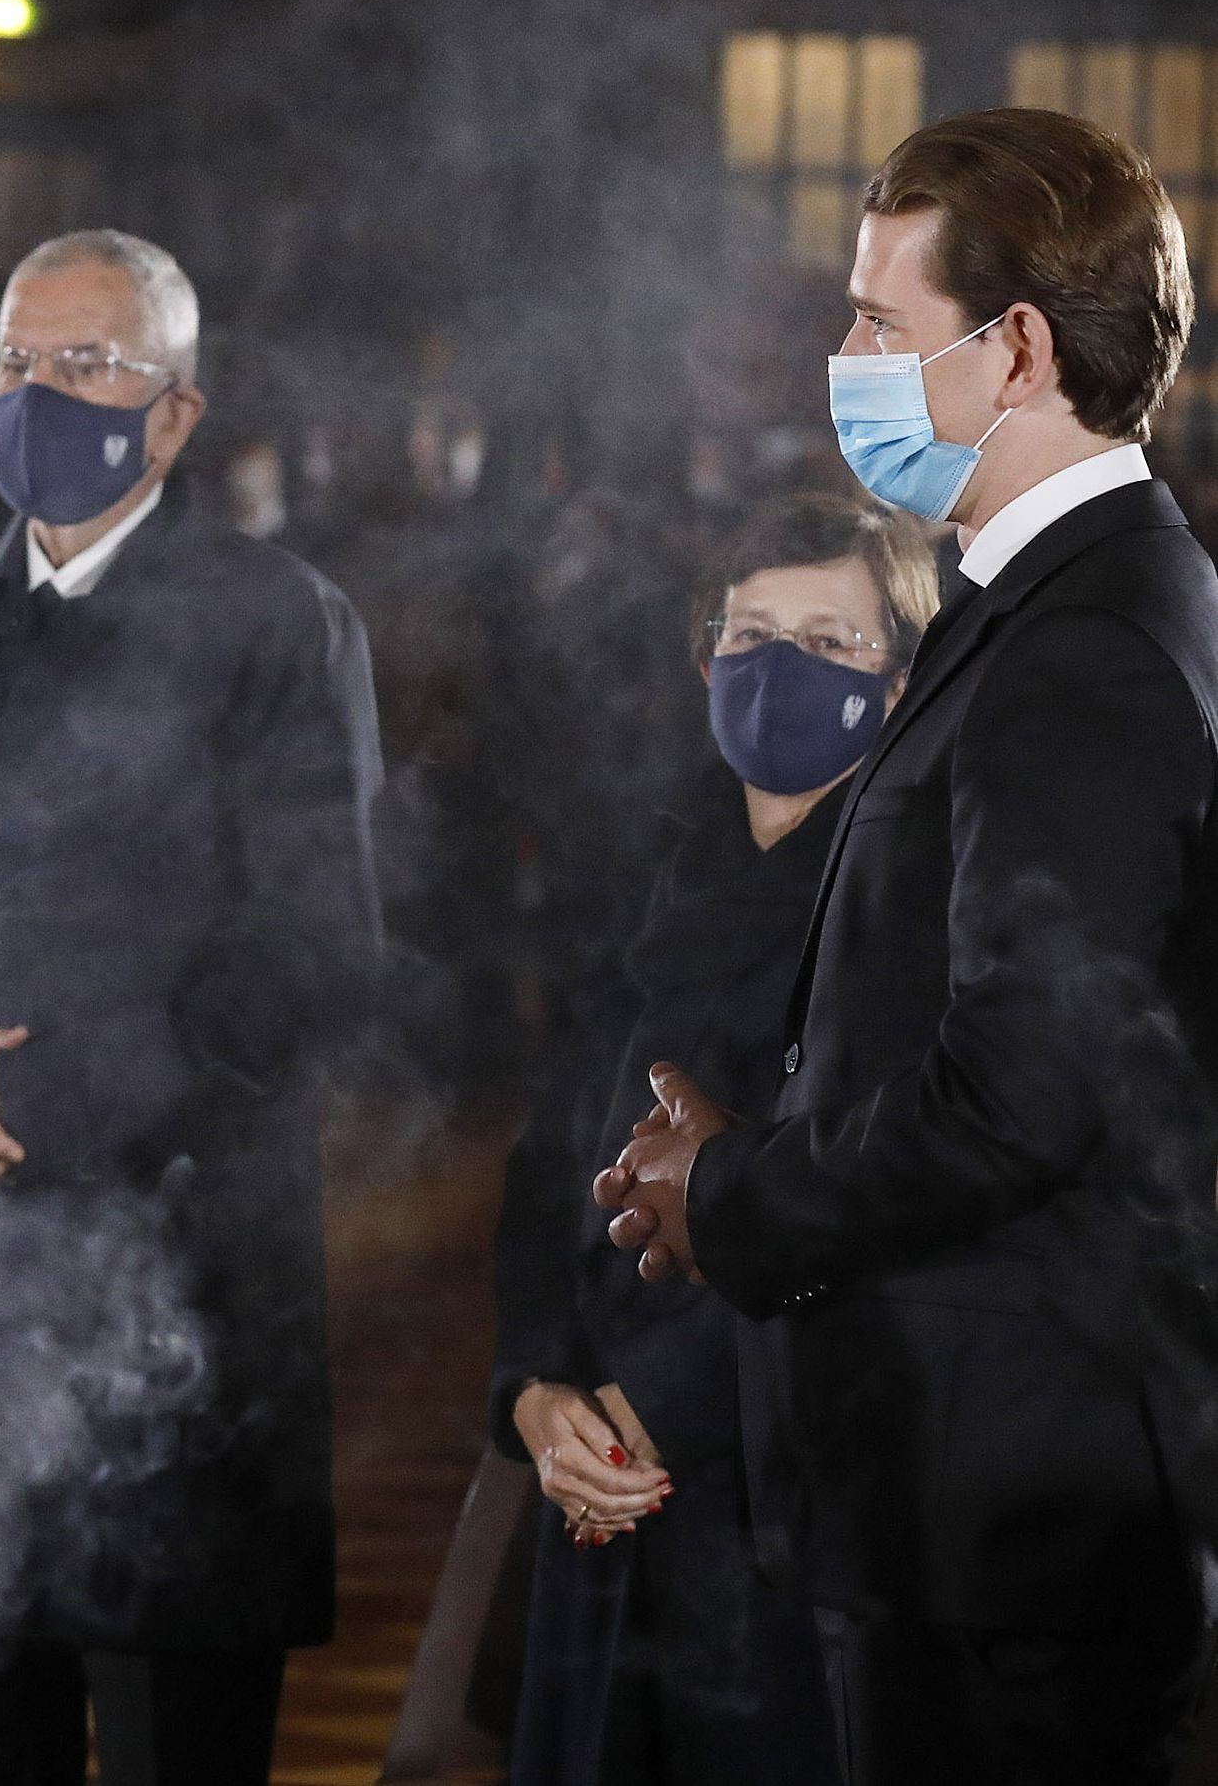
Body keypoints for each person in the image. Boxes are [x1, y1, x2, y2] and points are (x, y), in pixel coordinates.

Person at [598, 107, 1218, 1785]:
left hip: (1017, 1511)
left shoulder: (1088, 641)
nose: (846, 359)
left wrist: (734, 1191)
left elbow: (1023, 1098)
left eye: (879, 320)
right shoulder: (1036, 599)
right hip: (959, 1485)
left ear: (1017, 348)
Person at [0, 228, 384, 1786]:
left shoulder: (277, 621)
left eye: (85, 364)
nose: (35, 392)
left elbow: (317, 946)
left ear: (175, 414)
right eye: (13, 360)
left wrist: (50, 1094)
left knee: (177, 1727)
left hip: (182, 1267)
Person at [492, 494, 935, 1785]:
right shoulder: (646, 869)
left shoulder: (921, 900)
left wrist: (650, 1407)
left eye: (830, 641)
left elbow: (886, 1205)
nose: (779, 666)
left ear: (901, 683)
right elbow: (547, 1162)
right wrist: (534, 1390)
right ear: (705, 660)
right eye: (750, 634)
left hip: (791, 1492)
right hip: (597, 1466)